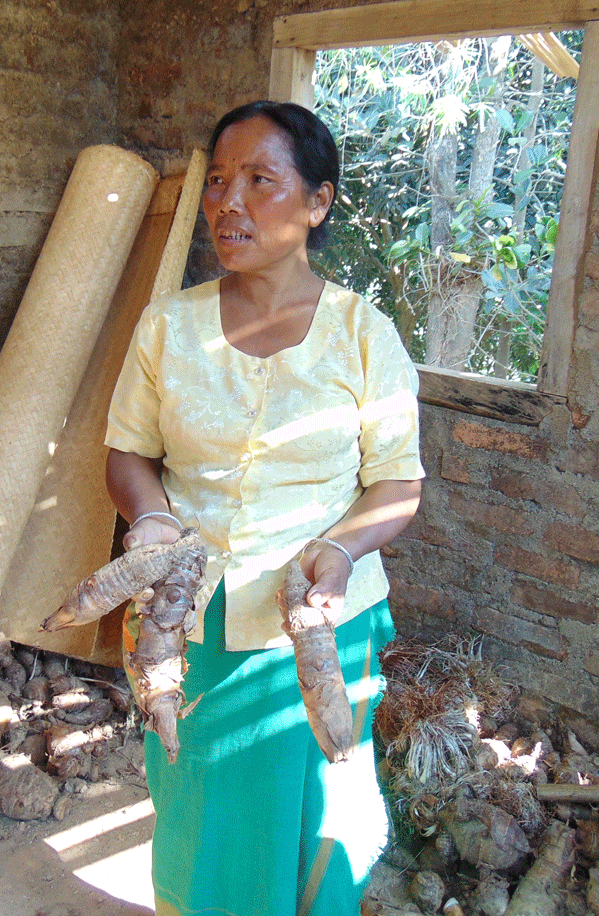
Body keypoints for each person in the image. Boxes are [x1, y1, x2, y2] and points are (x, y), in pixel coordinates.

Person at [104, 100, 425, 916]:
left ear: (318, 202)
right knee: (203, 815)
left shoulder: (364, 334)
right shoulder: (167, 327)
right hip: (191, 620)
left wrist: (344, 549)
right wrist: (150, 518)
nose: (227, 202)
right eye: (217, 181)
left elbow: (397, 483)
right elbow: (128, 453)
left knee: (326, 813)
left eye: (258, 180)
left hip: (323, 620)